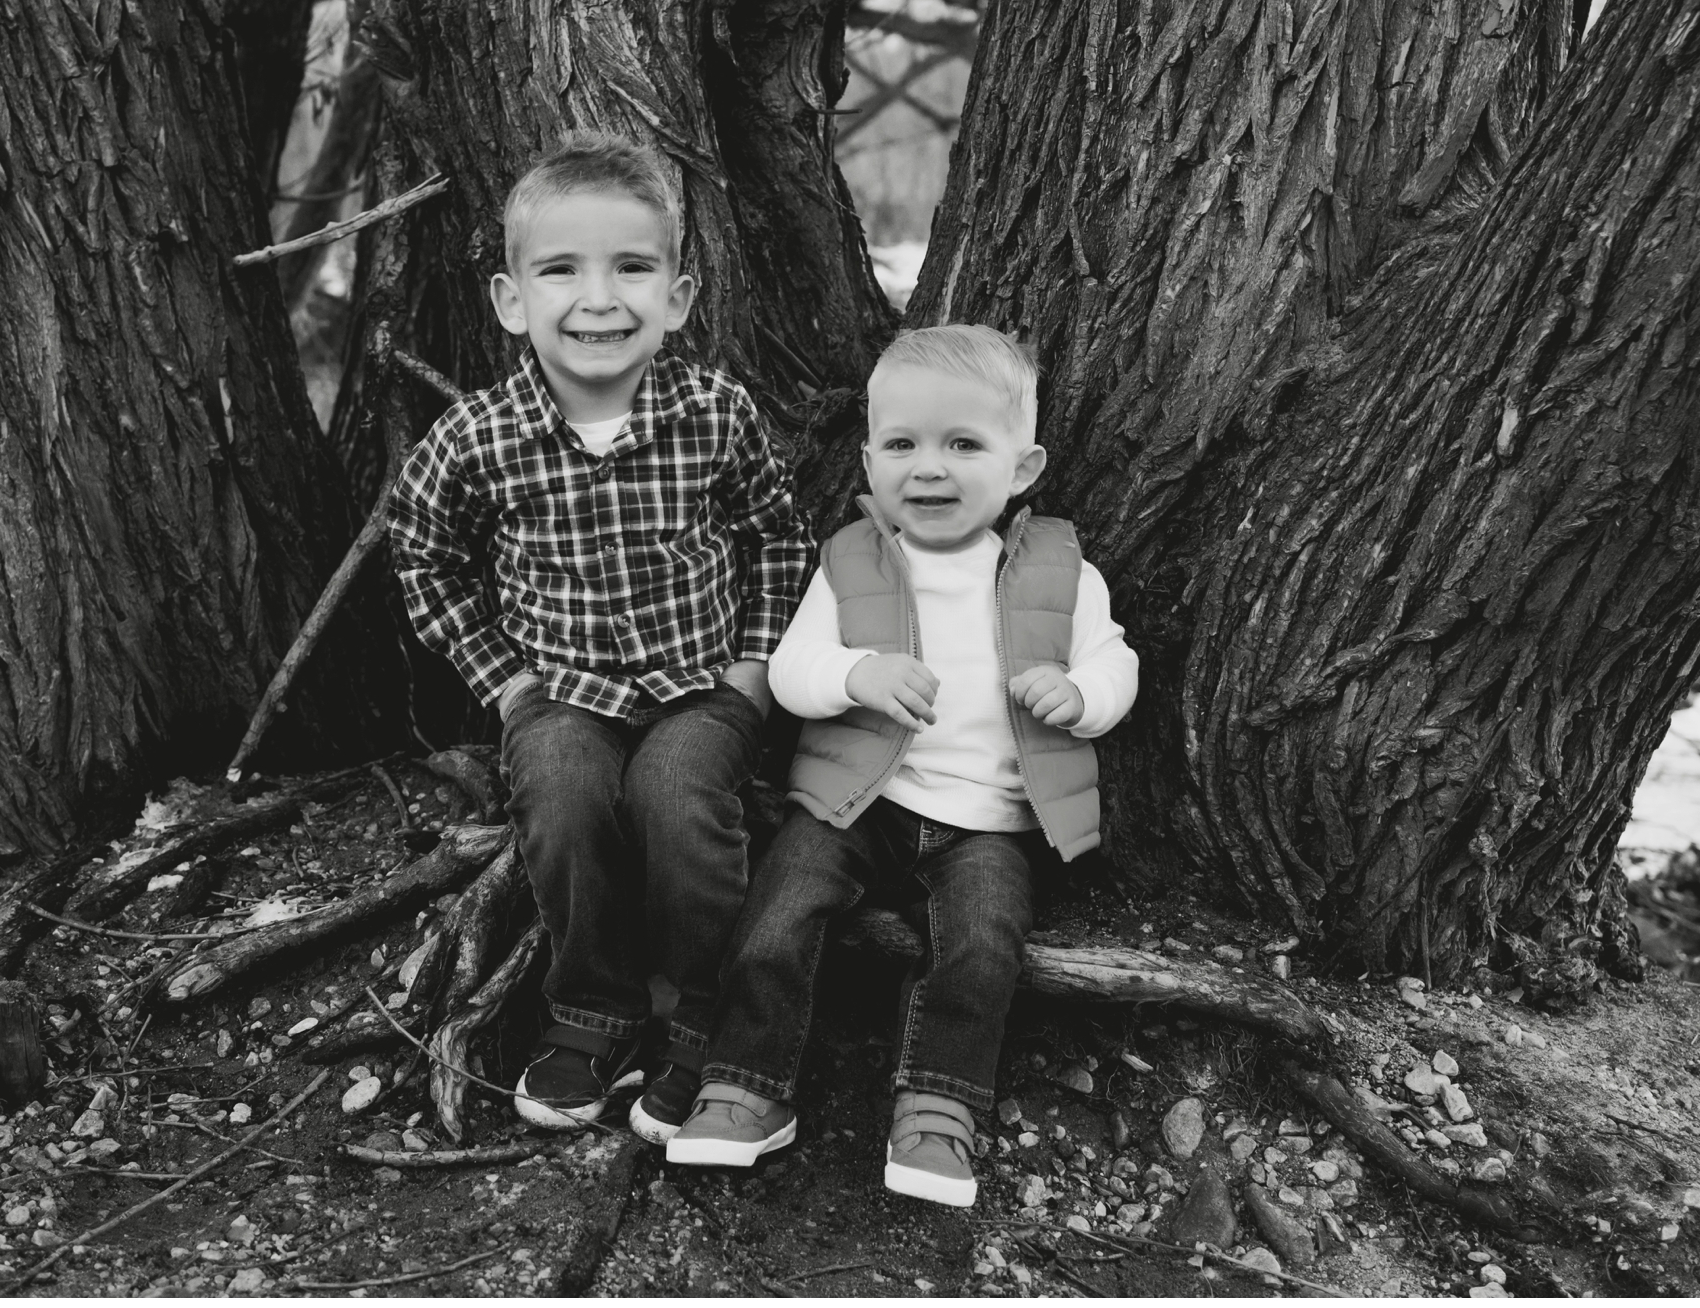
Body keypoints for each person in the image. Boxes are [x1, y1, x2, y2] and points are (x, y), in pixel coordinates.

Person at [384, 133, 812, 1142]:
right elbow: (423, 557)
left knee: (676, 798)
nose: (599, 297)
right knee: (567, 794)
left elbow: (773, 534)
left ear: (679, 294)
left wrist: (753, 666)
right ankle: (591, 1011)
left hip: (704, 681)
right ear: (510, 299)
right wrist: (506, 682)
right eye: (561, 269)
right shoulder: (478, 437)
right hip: (559, 688)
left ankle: (700, 1019)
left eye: (632, 266)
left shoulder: (714, 413)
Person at [665, 324, 1138, 1206]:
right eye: (903, 443)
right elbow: (791, 669)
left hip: (988, 820)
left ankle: (937, 1109)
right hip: (855, 802)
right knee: (776, 912)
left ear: (1023, 467)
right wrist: (858, 673)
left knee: (983, 941)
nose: (929, 467)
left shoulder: (1063, 569)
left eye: (964, 444)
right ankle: (743, 1086)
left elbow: (1117, 662)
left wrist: (1082, 694)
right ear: (870, 456)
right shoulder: (849, 561)